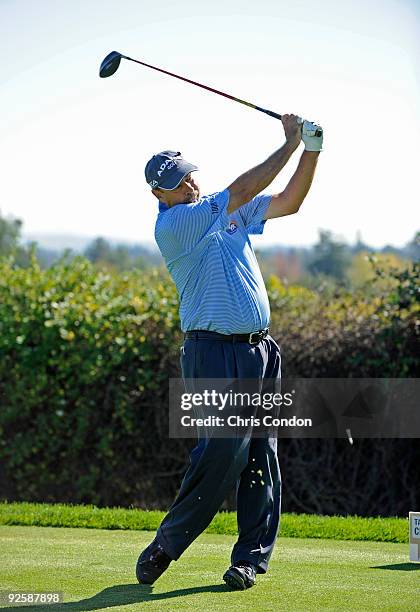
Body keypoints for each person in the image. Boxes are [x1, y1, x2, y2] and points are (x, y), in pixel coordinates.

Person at [136, 114, 323, 590]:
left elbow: (289, 203)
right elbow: (239, 190)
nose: (190, 185)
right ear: (161, 195)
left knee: (262, 453)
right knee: (221, 450)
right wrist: (287, 143)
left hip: (261, 353)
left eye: (190, 174)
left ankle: (250, 560)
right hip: (211, 353)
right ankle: (168, 544)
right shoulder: (175, 225)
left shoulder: (226, 212)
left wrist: (312, 151)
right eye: (179, 184)